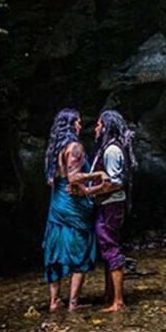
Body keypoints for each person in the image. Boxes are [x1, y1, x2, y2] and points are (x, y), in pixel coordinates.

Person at [41, 109, 115, 312]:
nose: (80, 126)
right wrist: (99, 174)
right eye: (78, 122)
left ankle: (54, 301)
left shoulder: (54, 149)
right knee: (80, 249)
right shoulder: (74, 147)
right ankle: (73, 302)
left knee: (55, 249)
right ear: (70, 125)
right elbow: (73, 178)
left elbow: (53, 179)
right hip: (73, 208)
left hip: (57, 204)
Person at [90, 109, 135, 312]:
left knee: (109, 246)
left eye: (99, 124)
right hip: (109, 204)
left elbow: (116, 182)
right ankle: (110, 294)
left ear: (106, 127)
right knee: (108, 245)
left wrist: (89, 191)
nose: (96, 128)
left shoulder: (111, 151)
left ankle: (118, 300)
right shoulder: (110, 148)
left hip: (111, 204)